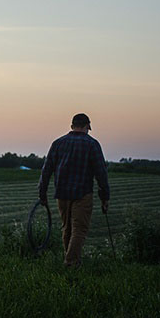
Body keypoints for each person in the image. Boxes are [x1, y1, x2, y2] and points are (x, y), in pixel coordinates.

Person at [38, 113, 110, 268]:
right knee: (79, 230)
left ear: (72, 126)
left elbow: (46, 170)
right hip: (82, 193)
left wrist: (42, 193)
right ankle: (71, 263)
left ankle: (71, 260)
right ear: (86, 127)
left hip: (62, 194)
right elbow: (101, 173)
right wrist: (105, 197)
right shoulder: (92, 144)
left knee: (67, 228)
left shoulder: (58, 143)